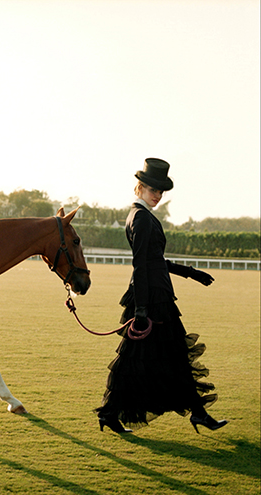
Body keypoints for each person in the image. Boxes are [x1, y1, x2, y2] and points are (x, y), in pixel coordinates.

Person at [96, 158, 228, 434]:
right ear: (140, 187)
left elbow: (155, 260)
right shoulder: (141, 218)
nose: (157, 195)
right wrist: (142, 308)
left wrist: (190, 272)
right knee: (168, 355)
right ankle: (198, 413)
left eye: (161, 191)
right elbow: (141, 265)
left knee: (154, 357)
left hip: (154, 295)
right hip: (152, 298)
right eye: (153, 190)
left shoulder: (141, 216)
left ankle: (111, 413)